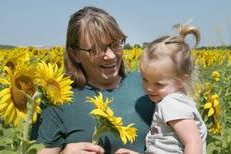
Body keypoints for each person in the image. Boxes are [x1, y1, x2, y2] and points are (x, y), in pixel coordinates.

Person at [35, 6, 154, 154]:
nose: (111, 55)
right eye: (96, 49)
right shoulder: (58, 98)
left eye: (116, 44)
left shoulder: (149, 85)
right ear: (75, 54)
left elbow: (185, 142)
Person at [139, 24, 207, 153]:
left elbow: (193, 142)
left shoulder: (171, 104)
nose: (149, 88)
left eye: (158, 84)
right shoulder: (176, 100)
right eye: (144, 79)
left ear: (182, 80)